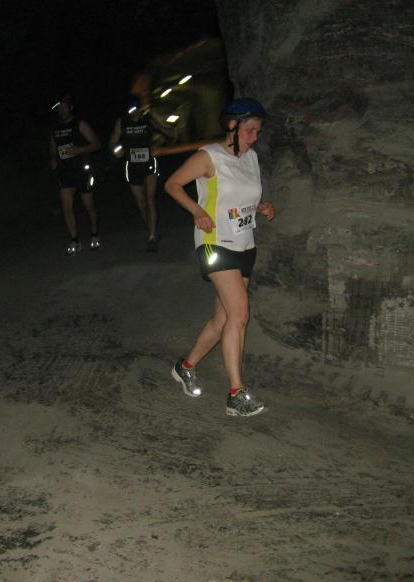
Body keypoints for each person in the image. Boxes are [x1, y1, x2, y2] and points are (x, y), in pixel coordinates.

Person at [164, 98, 275, 417]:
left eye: (258, 131)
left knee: (224, 318)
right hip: (214, 243)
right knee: (240, 314)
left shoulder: (251, 158)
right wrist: (196, 210)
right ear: (232, 125)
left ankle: (185, 367)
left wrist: (261, 207)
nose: (255, 137)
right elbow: (172, 184)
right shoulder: (209, 156)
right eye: (250, 130)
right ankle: (236, 394)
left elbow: (241, 199)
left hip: (244, 245)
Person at [49, 94, 102, 256]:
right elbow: (53, 149)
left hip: (82, 170)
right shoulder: (55, 129)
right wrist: (53, 159)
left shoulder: (80, 124)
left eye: (64, 107)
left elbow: (96, 144)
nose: (61, 110)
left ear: (70, 108)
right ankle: (75, 240)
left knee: (88, 205)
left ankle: (94, 234)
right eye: (59, 108)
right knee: (66, 206)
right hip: (65, 172)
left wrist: (79, 150)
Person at [109, 94, 160, 252]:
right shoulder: (122, 122)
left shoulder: (148, 119)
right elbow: (113, 142)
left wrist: (165, 131)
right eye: (130, 110)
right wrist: (116, 150)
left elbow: (168, 131)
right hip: (132, 166)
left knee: (150, 199)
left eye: (135, 109)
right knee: (141, 204)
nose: (133, 112)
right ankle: (151, 229)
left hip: (149, 163)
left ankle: (152, 236)